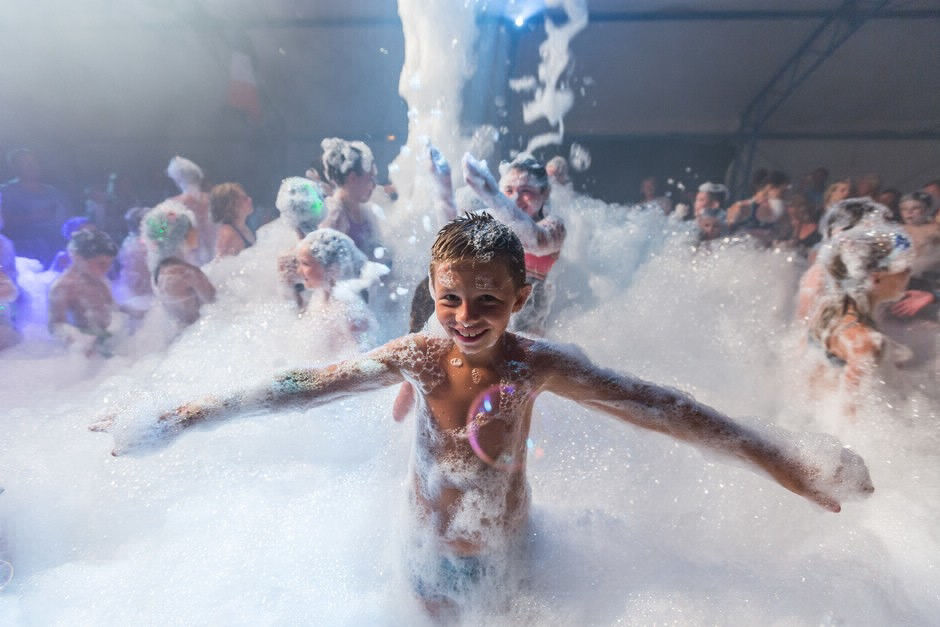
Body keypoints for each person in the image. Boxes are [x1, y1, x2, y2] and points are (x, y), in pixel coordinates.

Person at [95, 213, 873, 619]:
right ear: (433, 293)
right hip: (427, 561)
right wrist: (184, 411)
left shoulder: (537, 364)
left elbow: (663, 408)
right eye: (450, 299)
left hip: (507, 557)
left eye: (489, 300)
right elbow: (303, 383)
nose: (466, 316)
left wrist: (785, 458)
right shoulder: (420, 358)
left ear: (521, 297)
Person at [805, 223, 914, 416]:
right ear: (876, 278)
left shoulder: (830, 310)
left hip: (810, 417)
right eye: (903, 266)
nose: (909, 271)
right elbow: (850, 419)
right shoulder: (865, 340)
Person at [463, 152, 566, 335]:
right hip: (489, 325)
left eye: (526, 191)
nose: (515, 199)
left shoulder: (554, 225)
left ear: (545, 193)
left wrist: (493, 196)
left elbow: (536, 240)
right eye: (508, 191)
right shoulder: (492, 222)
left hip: (535, 332)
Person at [294, 229, 385, 354]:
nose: (299, 271)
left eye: (305, 264)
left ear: (333, 267)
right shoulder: (320, 297)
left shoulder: (349, 309)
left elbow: (364, 360)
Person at [47, 229, 123, 356]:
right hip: (86, 346)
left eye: (110, 263)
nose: (106, 268)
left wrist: (126, 314)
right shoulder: (63, 286)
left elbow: (112, 308)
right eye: (101, 263)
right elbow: (55, 325)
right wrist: (76, 338)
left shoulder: (99, 277)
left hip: (109, 339)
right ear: (76, 257)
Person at [141, 201, 215, 329]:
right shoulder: (187, 273)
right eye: (191, 229)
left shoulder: (158, 272)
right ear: (181, 236)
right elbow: (217, 304)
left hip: (179, 337)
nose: (196, 233)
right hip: (199, 334)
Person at [319, 138, 387, 262]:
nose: (373, 185)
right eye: (370, 178)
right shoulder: (333, 216)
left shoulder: (366, 210)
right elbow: (327, 266)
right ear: (353, 178)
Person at [0, 148, 71, 265]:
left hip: (56, 250)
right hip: (23, 253)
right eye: (26, 164)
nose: (32, 167)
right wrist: (32, 217)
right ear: (16, 168)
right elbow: (4, 222)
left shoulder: (54, 192)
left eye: (34, 162)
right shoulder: (6, 192)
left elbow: (69, 219)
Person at [167, 156, 215, 265]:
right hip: (213, 252)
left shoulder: (174, 203)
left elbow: (163, 231)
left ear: (177, 179)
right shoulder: (211, 199)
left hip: (189, 257)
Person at [209, 182, 256, 258]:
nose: (249, 199)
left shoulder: (242, 228)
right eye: (244, 198)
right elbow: (220, 267)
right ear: (232, 205)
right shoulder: (228, 236)